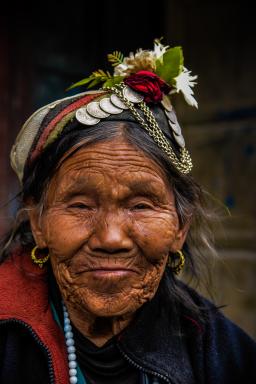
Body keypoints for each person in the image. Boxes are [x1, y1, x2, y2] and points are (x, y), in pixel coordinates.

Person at [0, 39, 255, 384]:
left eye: (140, 205)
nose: (111, 238)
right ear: (38, 222)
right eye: (80, 205)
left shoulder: (223, 355)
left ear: (180, 227)